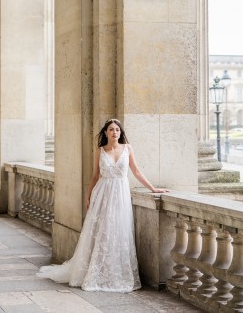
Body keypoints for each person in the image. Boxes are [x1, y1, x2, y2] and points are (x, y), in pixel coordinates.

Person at [36, 118, 169, 293]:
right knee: (101, 231)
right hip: (103, 194)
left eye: (117, 130)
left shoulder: (128, 149)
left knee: (119, 232)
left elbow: (136, 171)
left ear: (121, 133)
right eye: (111, 130)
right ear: (106, 132)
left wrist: (153, 188)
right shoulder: (100, 151)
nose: (115, 133)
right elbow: (95, 177)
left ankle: (115, 272)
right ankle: (97, 270)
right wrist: (88, 196)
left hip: (120, 195)